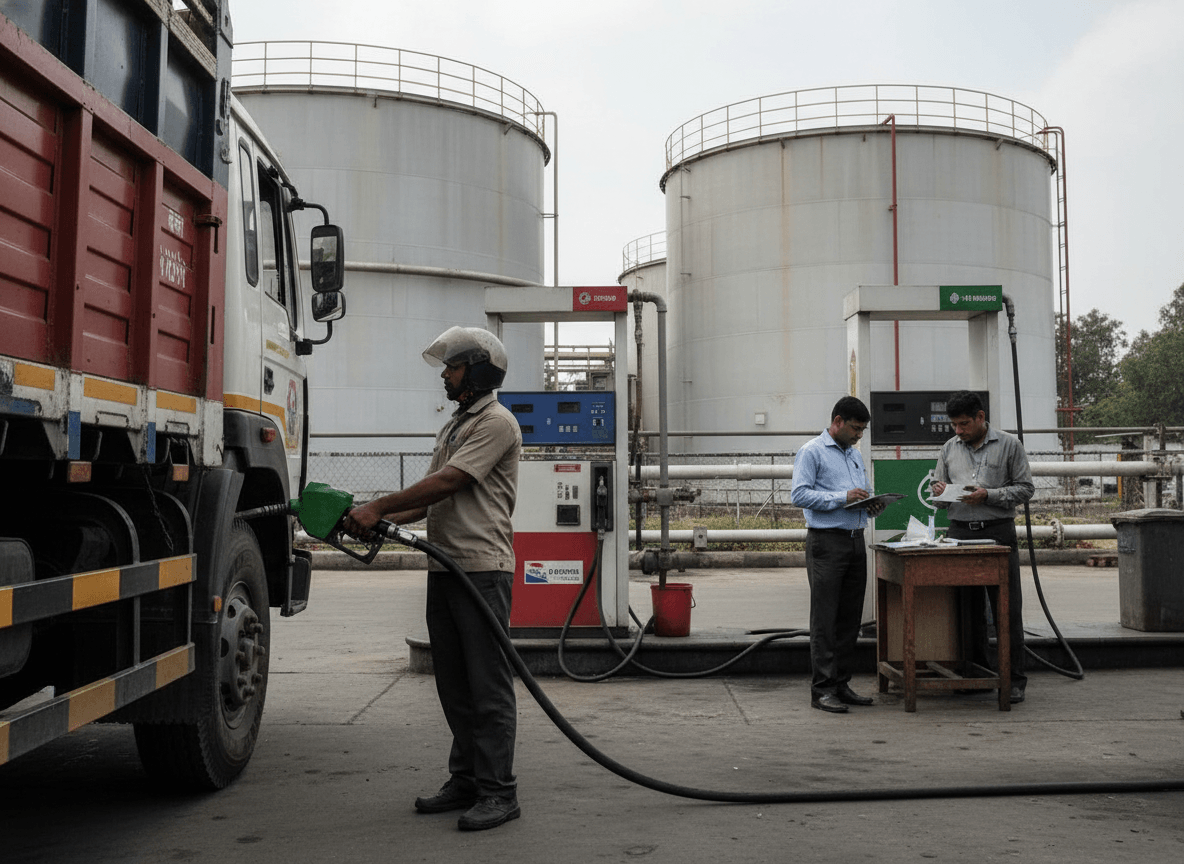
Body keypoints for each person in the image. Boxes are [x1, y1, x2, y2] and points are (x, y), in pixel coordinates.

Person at [344, 326, 523, 831]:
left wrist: (379, 504)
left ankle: (499, 791)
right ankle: (467, 779)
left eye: (453, 366)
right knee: (454, 684)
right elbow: (427, 501)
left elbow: (452, 481)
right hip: (446, 567)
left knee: (487, 686)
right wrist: (371, 518)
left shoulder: (497, 423)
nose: (444, 375)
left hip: (481, 569)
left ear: (478, 371)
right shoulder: (454, 427)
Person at [930, 390, 1034, 704]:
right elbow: (938, 488)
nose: (959, 431)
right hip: (960, 532)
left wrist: (988, 496)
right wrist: (940, 491)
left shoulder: (1009, 445)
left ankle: (1013, 680)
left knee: (1006, 609)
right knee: (966, 610)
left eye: (964, 424)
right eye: (954, 425)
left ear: (980, 417)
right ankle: (975, 675)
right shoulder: (949, 448)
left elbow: (1025, 488)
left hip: (998, 532)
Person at [791, 396, 884, 714]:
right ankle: (822, 689)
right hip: (826, 543)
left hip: (855, 539)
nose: (859, 435)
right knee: (825, 618)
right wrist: (842, 497)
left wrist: (870, 504)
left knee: (849, 619)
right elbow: (799, 494)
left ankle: (841, 683)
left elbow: (860, 492)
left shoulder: (854, 456)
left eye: (863, 430)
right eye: (856, 429)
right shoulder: (812, 451)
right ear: (838, 421)